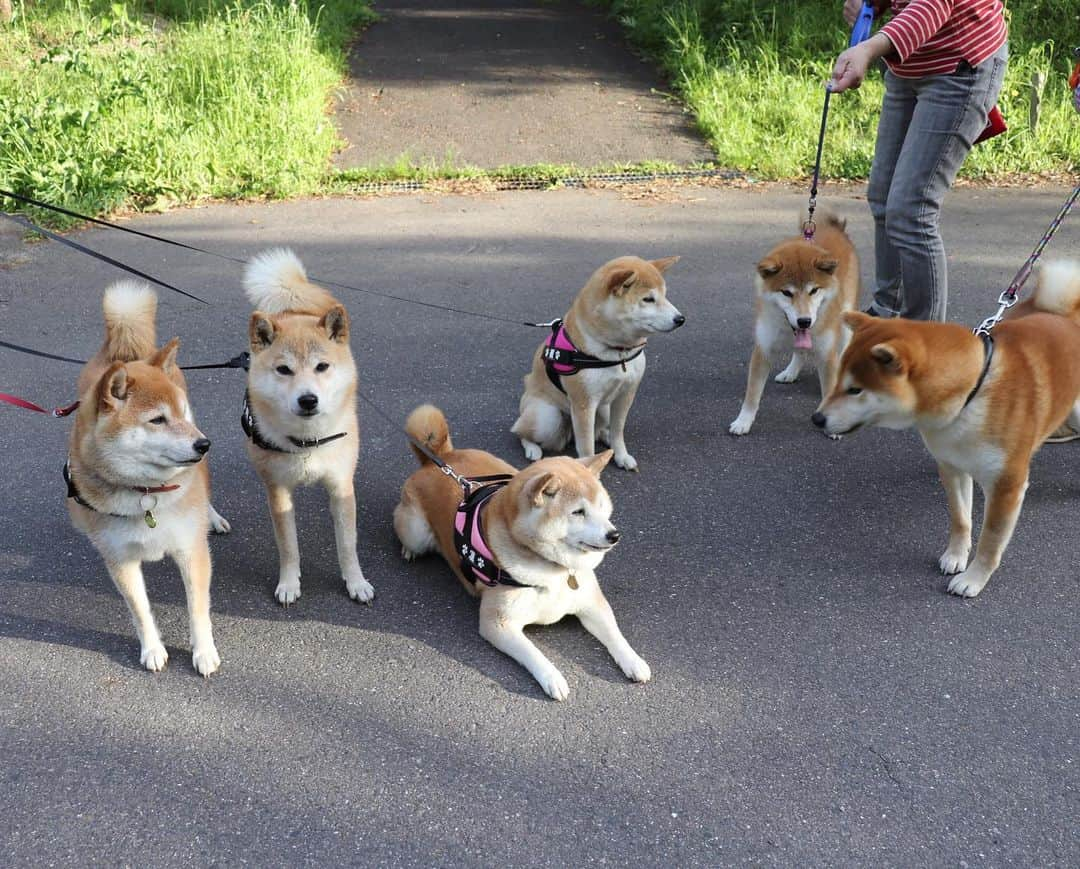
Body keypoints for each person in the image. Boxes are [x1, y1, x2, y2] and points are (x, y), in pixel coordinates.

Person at [830, 0, 1008, 322]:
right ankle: (887, 314)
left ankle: (926, 347)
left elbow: (932, 6)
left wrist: (869, 49)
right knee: (883, 198)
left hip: (959, 66)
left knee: (911, 211)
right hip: (908, 66)